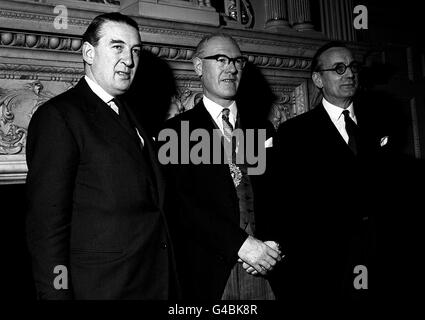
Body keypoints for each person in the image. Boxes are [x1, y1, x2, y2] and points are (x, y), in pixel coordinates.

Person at [25, 12, 178, 300]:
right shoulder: (59, 117)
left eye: (135, 51)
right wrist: (57, 296)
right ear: (88, 53)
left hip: (152, 282)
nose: (129, 60)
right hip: (102, 289)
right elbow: (46, 227)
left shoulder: (134, 115)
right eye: (117, 47)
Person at [160, 33, 282, 300]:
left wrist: (272, 246)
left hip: (264, 270)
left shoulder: (260, 129)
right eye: (221, 59)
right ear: (199, 66)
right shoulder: (178, 132)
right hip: (211, 276)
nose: (231, 68)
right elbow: (180, 205)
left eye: (238, 61)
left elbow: (276, 194)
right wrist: (240, 245)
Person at [272, 41, 385, 301]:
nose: (349, 74)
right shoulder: (294, 134)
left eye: (352, 67)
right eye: (339, 68)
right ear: (318, 79)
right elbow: (284, 206)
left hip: (377, 259)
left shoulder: (378, 123)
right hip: (325, 270)